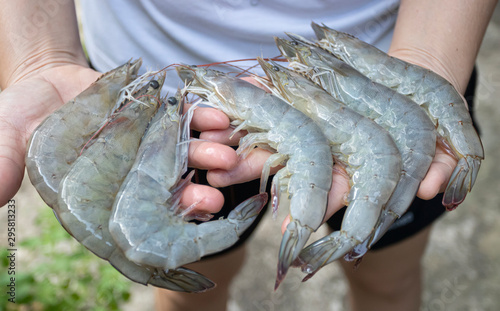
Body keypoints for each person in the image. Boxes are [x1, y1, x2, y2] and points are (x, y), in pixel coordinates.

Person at [0, 1, 495, 310]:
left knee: (390, 283)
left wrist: (432, 59)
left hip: (398, 87)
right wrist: (42, 57)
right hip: (168, 110)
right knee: (187, 295)